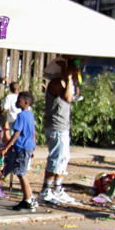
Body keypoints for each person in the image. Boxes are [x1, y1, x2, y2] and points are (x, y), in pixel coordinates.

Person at [38, 56, 82, 206]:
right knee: (56, 159)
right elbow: (68, 97)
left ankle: (57, 189)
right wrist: (69, 78)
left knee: (63, 158)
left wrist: (74, 78)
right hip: (56, 126)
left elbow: (75, 93)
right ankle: (46, 191)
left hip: (63, 126)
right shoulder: (56, 83)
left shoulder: (65, 82)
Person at [1, 92, 36, 211]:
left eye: (19, 100)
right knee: (22, 172)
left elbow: (16, 133)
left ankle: (27, 201)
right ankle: (30, 197)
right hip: (28, 146)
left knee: (21, 173)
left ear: (26, 102)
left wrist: (6, 147)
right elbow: (33, 132)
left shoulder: (21, 116)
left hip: (22, 147)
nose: (16, 103)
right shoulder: (31, 115)